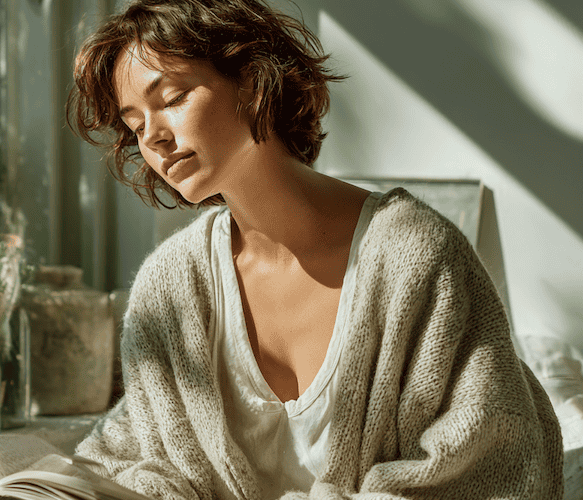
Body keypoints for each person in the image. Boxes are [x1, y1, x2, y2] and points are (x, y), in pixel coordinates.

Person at [67, 0, 564, 498]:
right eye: (134, 125)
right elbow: (138, 455)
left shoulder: (413, 255)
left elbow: (491, 455)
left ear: (252, 79)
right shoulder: (170, 287)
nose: (152, 136)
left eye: (172, 97)